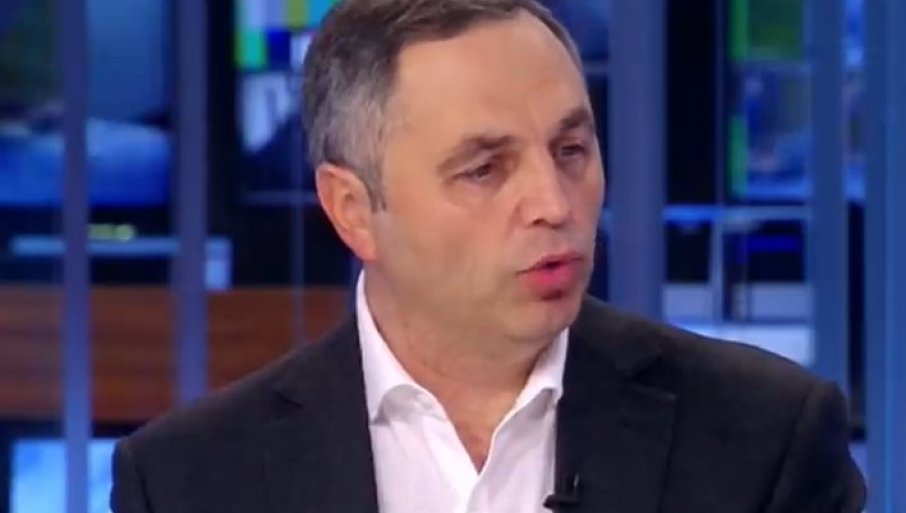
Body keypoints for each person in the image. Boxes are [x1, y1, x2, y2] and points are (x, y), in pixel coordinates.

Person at [110, 1, 866, 512]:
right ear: (353, 210)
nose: (553, 202)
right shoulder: (189, 481)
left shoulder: (765, 440)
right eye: (484, 169)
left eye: (571, 149)